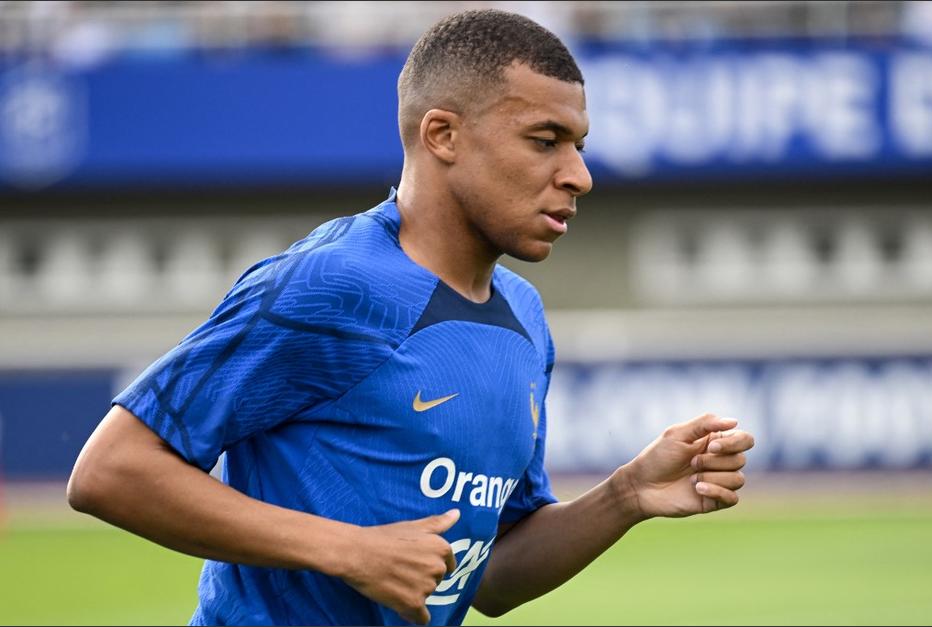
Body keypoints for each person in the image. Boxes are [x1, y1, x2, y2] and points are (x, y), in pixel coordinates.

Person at [67, 9, 754, 626]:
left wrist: (625, 495)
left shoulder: (524, 315)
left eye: (578, 144)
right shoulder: (332, 285)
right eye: (546, 140)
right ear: (443, 135)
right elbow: (111, 471)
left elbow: (492, 577)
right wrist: (349, 550)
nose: (579, 174)